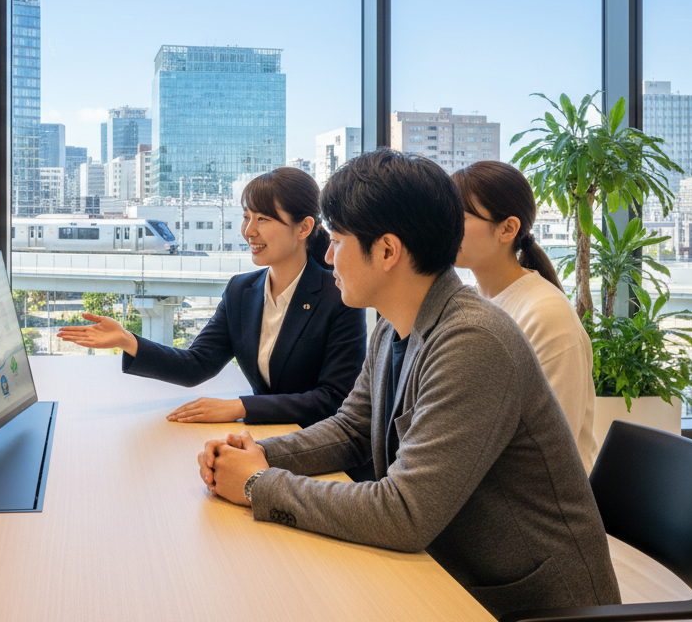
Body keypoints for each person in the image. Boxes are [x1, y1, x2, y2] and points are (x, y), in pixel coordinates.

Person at [197, 151, 620, 620]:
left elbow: (404, 512)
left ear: (387, 251)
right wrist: (258, 454)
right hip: (449, 573)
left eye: (336, 241)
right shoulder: (393, 324)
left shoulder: (473, 341)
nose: (328, 257)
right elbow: (352, 429)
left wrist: (258, 484)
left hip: (527, 603)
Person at [56, 166, 366, 428]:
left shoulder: (339, 297)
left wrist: (240, 407)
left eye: (263, 219)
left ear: (304, 228)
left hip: (320, 449)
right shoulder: (241, 291)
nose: (249, 231)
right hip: (264, 440)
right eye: (246, 217)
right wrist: (127, 340)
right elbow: (196, 364)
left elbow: (333, 399)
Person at [452, 160, 597, 472]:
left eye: (458, 218)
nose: (444, 228)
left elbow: (554, 450)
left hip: (539, 496)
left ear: (507, 229)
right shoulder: (470, 302)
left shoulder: (547, 316)